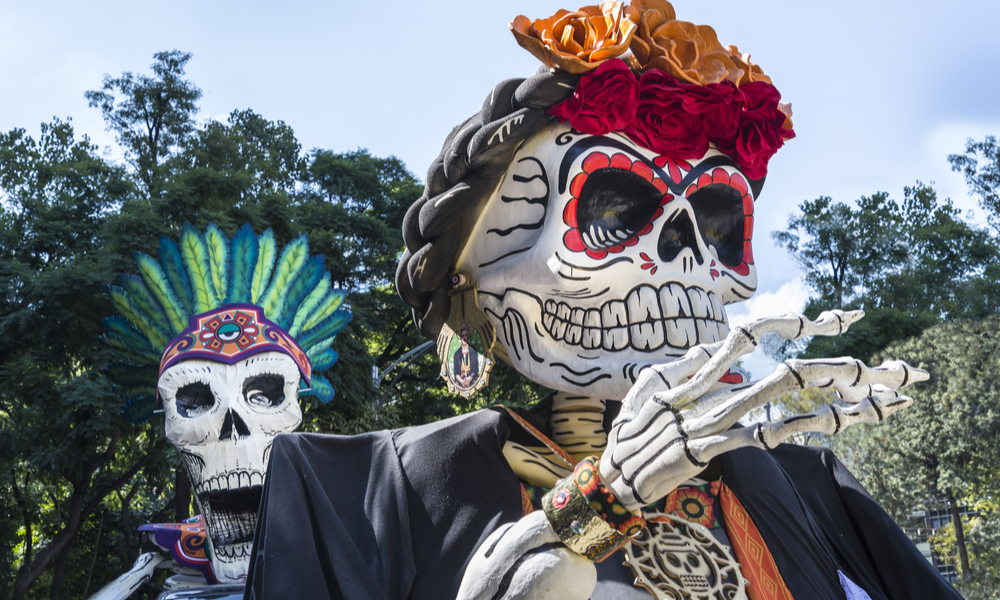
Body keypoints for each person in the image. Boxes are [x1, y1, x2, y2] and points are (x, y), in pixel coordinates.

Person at [244, 2, 963, 598]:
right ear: (467, 279)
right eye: (614, 213)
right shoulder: (356, 497)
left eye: (718, 221)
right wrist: (601, 499)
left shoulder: (809, 490)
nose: (687, 259)